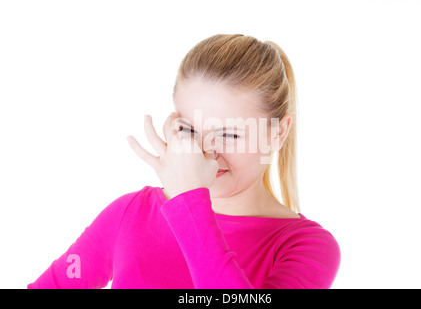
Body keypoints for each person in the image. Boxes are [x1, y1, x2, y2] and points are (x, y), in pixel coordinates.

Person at [27, 34, 340, 289]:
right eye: (190, 130)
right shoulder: (130, 213)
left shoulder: (307, 247)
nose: (204, 152)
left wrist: (189, 202)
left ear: (278, 133)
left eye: (230, 135)